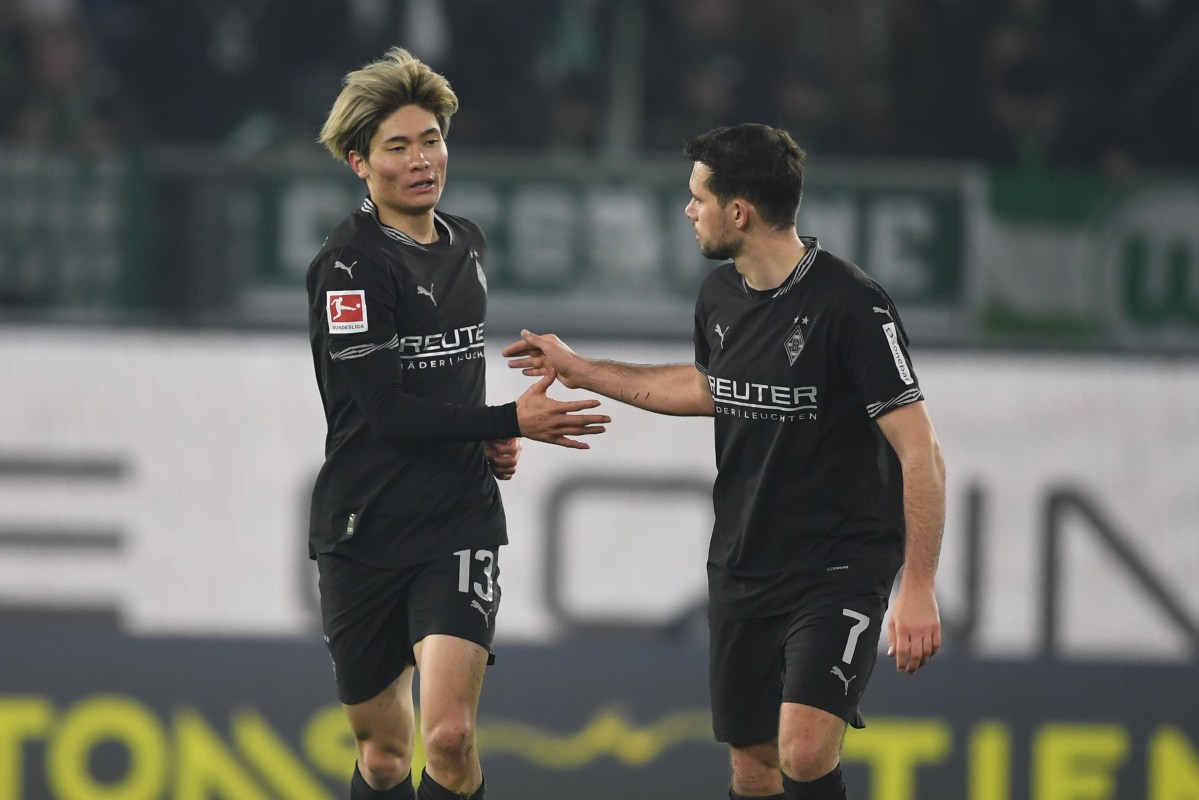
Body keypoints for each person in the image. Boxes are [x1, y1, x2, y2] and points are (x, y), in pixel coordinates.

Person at [503, 123, 945, 800]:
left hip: (838, 566)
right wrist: (581, 370)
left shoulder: (851, 304)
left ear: (738, 211)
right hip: (742, 563)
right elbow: (709, 388)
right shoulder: (719, 298)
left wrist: (916, 587)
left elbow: (920, 450)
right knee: (753, 766)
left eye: (697, 197)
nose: (688, 211)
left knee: (802, 749)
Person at [306, 47, 610, 800]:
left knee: (449, 736)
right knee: (384, 755)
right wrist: (506, 416)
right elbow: (382, 411)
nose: (421, 160)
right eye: (397, 146)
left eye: (431, 139)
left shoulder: (465, 243)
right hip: (362, 527)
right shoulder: (349, 267)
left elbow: (447, 374)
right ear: (358, 163)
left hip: (456, 519)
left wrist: (485, 433)